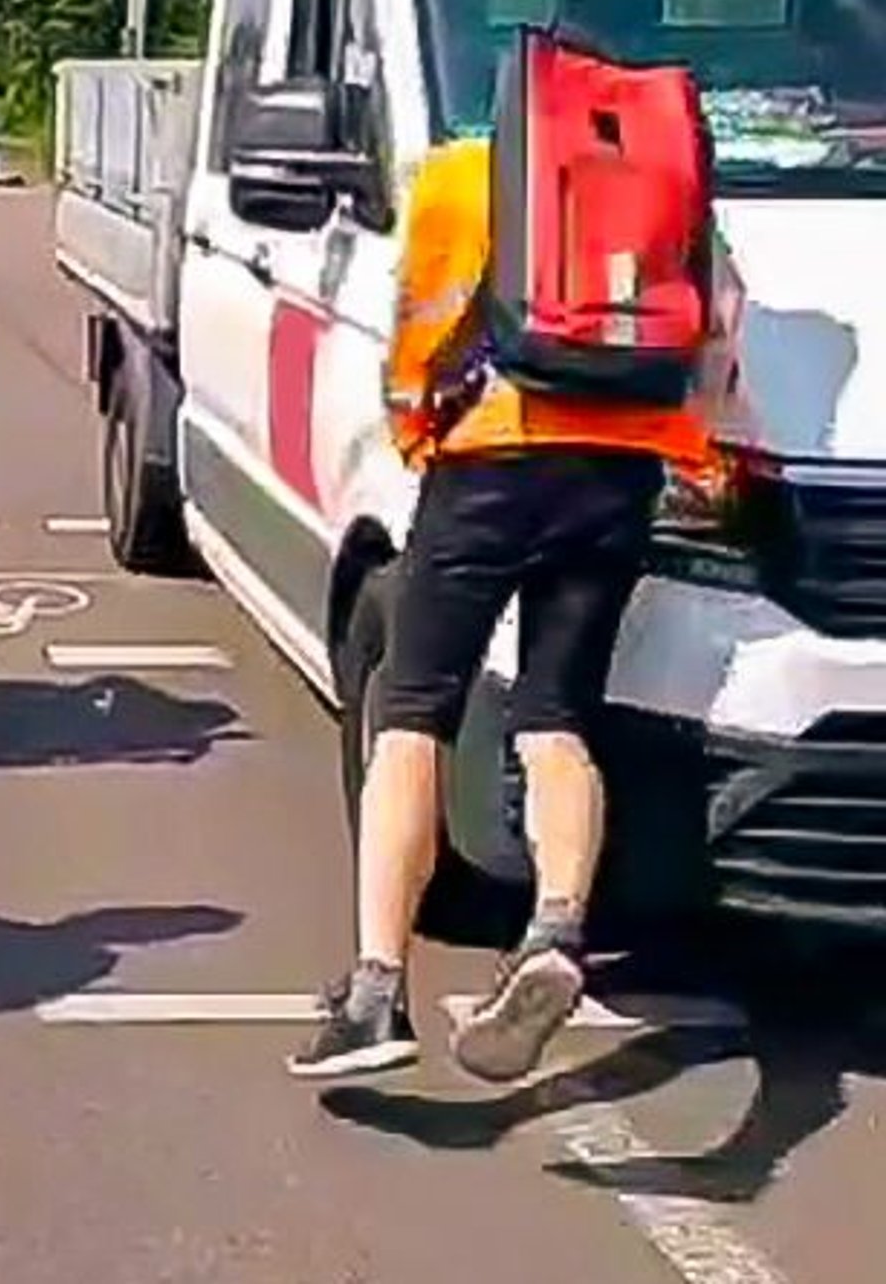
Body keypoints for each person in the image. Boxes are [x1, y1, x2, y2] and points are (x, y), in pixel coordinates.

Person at [288, 71, 741, 1084]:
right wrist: (692, 447)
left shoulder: (466, 170)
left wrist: (414, 428)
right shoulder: (674, 183)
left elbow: (424, 323)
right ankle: (553, 933)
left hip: (491, 460)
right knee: (553, 714)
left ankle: (372, 993)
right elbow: (720, 318)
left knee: (410, 711)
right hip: (618, 472)